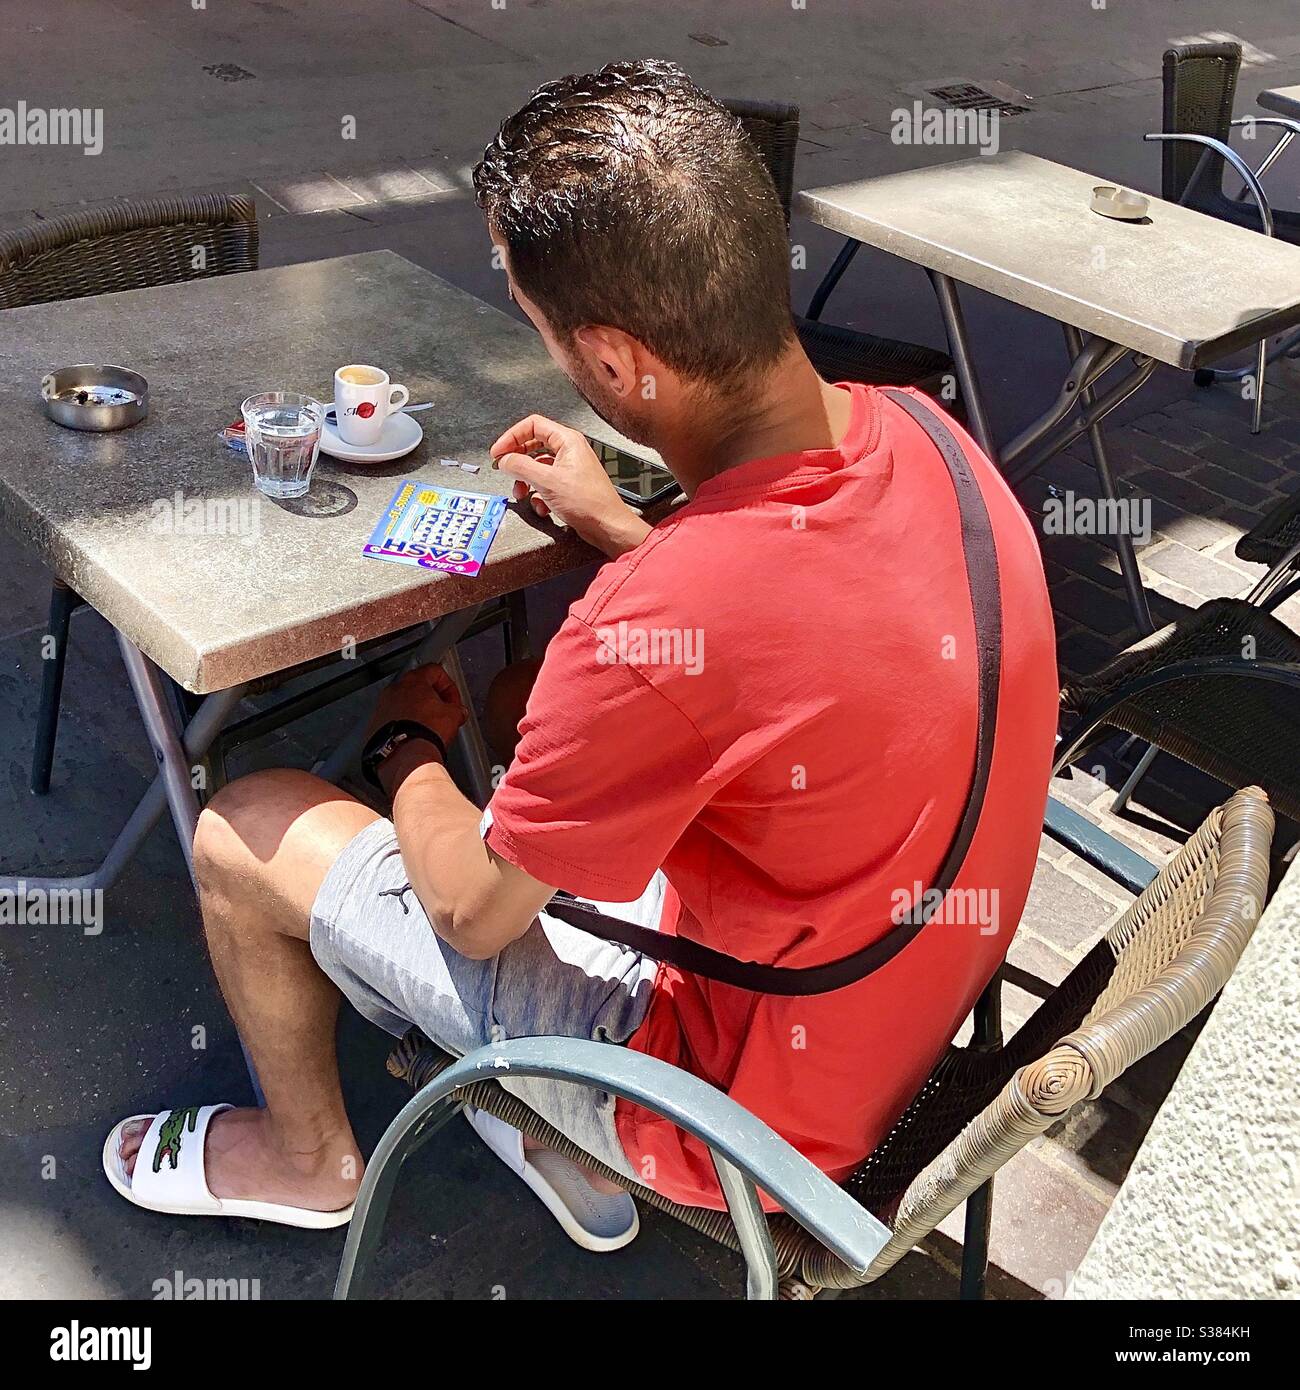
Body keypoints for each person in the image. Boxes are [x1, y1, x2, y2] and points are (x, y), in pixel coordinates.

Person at [103, 59, 1057, 1249]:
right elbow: (791, 618)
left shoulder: (659, 623)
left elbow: (470, 912)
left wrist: (406, 748)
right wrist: (626, 534)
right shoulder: (932, 439)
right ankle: (549, 1136)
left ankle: (312, 1159)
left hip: (732, 1117)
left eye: (533, 315)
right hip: (896, 1012)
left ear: (609, 365)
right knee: (518, 693)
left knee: (244, 825)